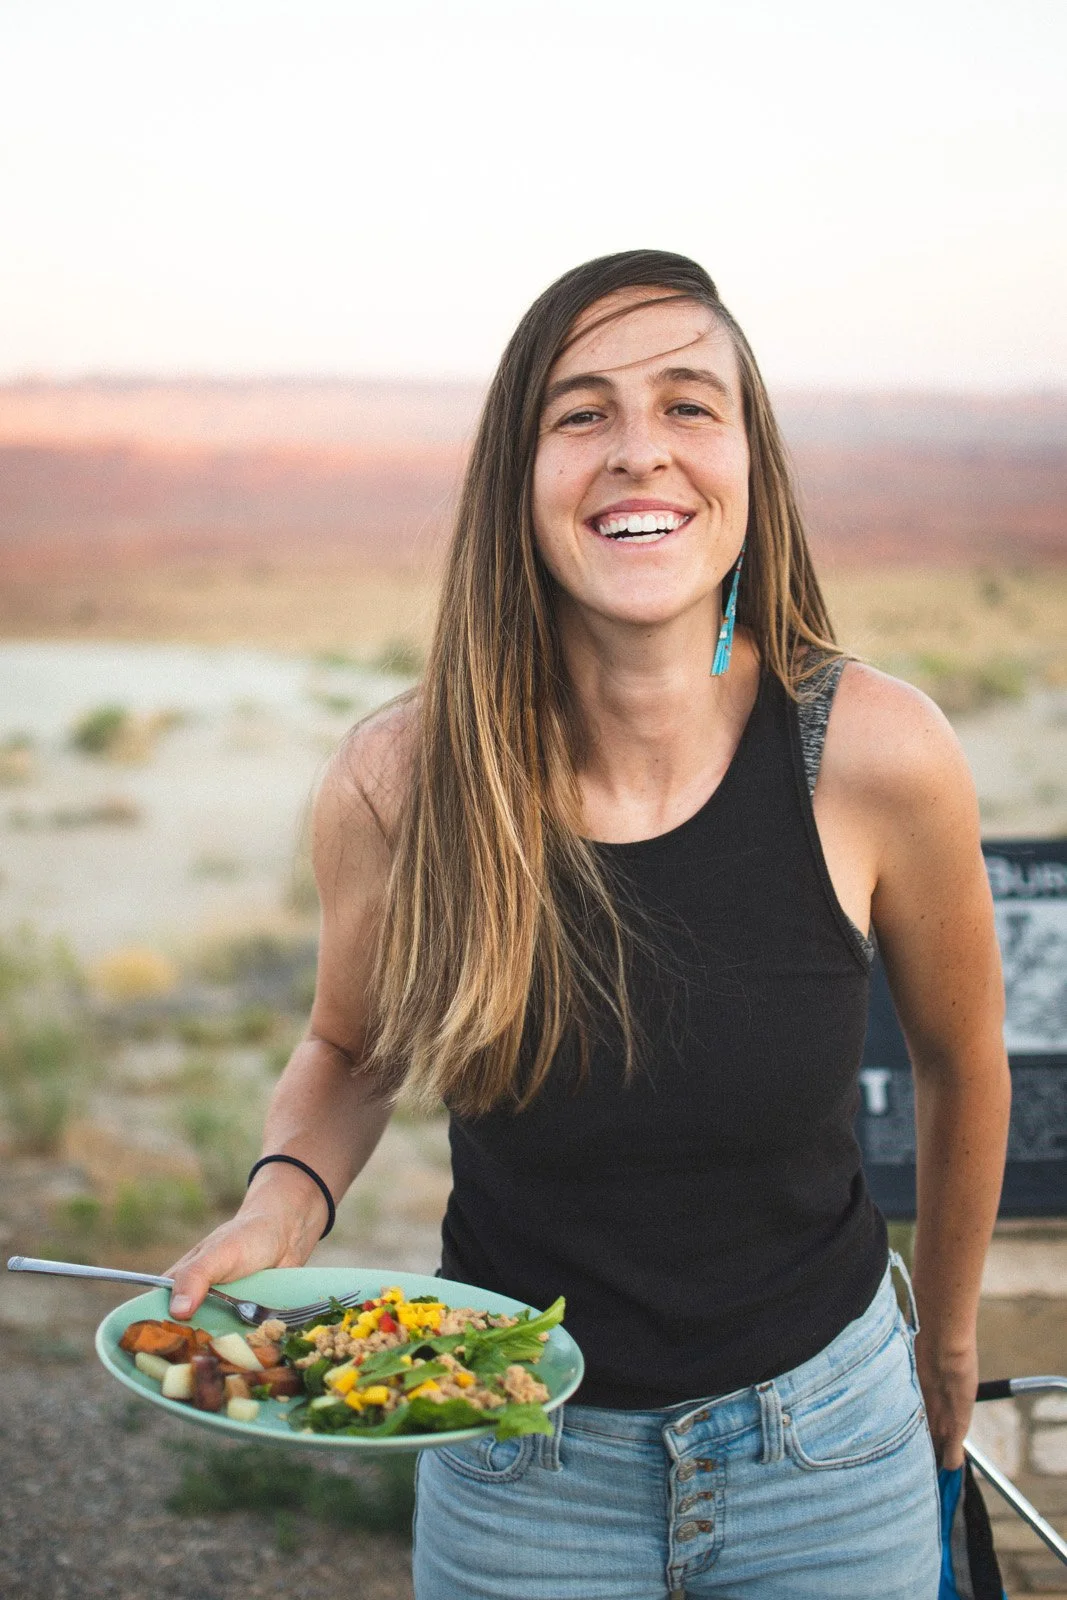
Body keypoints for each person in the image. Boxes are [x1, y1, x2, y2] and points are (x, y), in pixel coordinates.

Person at [167, 251, 1011, 1597]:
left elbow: (964, 1061)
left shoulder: (874, 754)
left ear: (751, 465)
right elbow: (349, 1050)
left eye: (687, 406)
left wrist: (949, 1338)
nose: (639, 454)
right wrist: (286, 1202)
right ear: (518, 475)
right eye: (581, 414)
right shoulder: (400, 783)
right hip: (518, 1470)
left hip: (827, 1463)